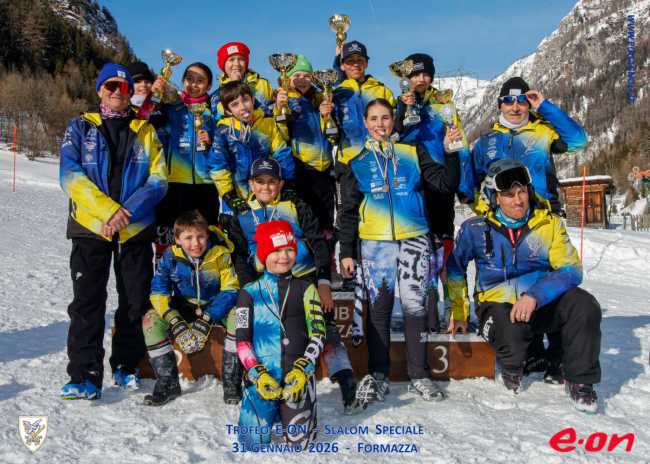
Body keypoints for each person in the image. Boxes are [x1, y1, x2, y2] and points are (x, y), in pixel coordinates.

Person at [447, 159, 601, 413]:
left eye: (522, 192)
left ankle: (580, 380)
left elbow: (571, 270)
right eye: (509, 195)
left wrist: (535, 295)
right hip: (497, 304)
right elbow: (455, 269)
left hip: (538, 302)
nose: (518, 200)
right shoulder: (475, 229)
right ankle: (514, 364)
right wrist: (459, 312)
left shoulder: (548, 223)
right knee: (512, 331)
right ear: (495, 197)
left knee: (584, 305)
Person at [338, 99, 460, 403]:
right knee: (379, 309)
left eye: (385, 118)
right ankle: (379, 374)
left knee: (414, 307)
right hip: (375, 243)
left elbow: (444, 185)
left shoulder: (412, 153)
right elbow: (348, 211)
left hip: (414, 239)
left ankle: (419, 374)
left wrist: (450, 154)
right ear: (365, 123)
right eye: (374, 118)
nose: (380, 124)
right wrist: (346, 251)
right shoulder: (355, 161)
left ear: (394, 121)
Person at [468, 76, 589, 382]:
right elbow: (471, 182)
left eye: (522, 100)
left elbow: (579, 141)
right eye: (508, 101)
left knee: (551, 284)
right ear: (499, 105)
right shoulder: (486, 142)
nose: (515, 107)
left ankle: (558, 357)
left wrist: (544, 106)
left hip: (541, 222)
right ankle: (530, 350)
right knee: (512, 281)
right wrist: (485, 213)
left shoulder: (543, 131)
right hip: (503, 224)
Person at [59, 63, 168, 400]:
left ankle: (126, 365)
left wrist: (126, 213)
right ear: (99, 90)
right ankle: (84, 375)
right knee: (87, 302)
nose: (118, 92)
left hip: (134, 228)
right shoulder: (80, 126)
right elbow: (69, 175)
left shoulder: (145, 130)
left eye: (123, 86)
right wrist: (108, 211)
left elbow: (158, 180)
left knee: (134, 301)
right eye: (111, 86)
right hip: (91, 226)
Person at [221, 158, 361, 414]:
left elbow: (318, 244)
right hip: (263, 284)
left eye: (271, 181)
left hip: (301, 281)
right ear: (251, 184)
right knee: (241, 322)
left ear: (280, 183)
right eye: (260, 181)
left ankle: (346, 383)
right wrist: (250, 289)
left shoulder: (296, 206)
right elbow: (240, 256)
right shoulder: (242, 214)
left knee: (324, 325)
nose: (266, 187)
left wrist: (323, 283)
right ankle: (233, 383)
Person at [395, 52, 472, 332]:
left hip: (440, 181)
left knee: (444, 250)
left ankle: (455, 311)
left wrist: (465, 186)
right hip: (410, 185)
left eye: (425, 74)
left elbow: (460, 143)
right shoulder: (400, 102)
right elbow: (390, 135)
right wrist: (402, 109)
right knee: (419, 252)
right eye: (415, 74)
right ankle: (426, 313)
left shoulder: (444, 104)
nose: (420, 79)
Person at [235, 220, 326, 449]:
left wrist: (304, 368)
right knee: (251, 443)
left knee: (301, 445)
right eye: (276, 251)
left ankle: (287, 412)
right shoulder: (248, 292)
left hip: (297, 378)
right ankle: (270, 413)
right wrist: (257, 374)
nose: (284, 256)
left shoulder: (307, 288)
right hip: (262, 378)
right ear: (264, 254)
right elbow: (242, 342)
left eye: (289, 250)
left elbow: (318, 334)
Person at [144, 210, 239, 406]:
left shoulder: (220, 253)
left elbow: (230, 289)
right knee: (150, 321)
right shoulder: (170, 256)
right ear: (177, 239)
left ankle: (232, 381)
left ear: (207, 235)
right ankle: (168, 382)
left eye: (200, 237)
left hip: (215, 305)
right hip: (184, 305)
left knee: (239, 316)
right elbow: (158, 291)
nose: (195, 243)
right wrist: (174, 320)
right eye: (188, 238)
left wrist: (208, 318)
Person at [152, 62, 219, 250]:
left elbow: (224, 144)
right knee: (169, 238)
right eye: (189, 79)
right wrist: (154, 95)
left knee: (205, 239)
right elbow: (151, 122)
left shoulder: (214, 112)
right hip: (175, 183)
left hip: (206, 185)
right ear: (183, 81)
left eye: (200, 81)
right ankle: (165, 267)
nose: (194, 84)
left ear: (208, 86)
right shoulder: (171, 109)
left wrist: (212, 141)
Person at [274, 55, 336, 249]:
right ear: (288, 78)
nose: (302, 79)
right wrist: (279, 108)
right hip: (301, 166)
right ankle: (307, 250)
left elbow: (332, 134)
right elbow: (281, 133)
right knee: (306, 213)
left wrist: (327, 116)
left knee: (326, 213)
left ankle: (327, 251)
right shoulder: (286, 99)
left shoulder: (320, 98)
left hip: (324, 167)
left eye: (307, 75)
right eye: (297, 75)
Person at [209, 81, 294, 213]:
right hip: (238, 197)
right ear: (228, 111)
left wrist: (286, 183)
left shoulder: (268, 124)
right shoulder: (223, 131)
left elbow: (282, 154)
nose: (243, 107)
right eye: (235, 104)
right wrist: (229, 195)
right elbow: (218, 165)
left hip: (266, 192)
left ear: (253, 100)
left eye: (245, 100)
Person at [210, 41, 273, 121]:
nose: (237, 64)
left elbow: (272, 109)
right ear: (224, 65)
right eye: (231, 60)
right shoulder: (216, 95)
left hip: (263, 127)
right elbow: (216, 116)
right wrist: (234, 85)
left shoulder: (263, 83)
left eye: (241, 59)